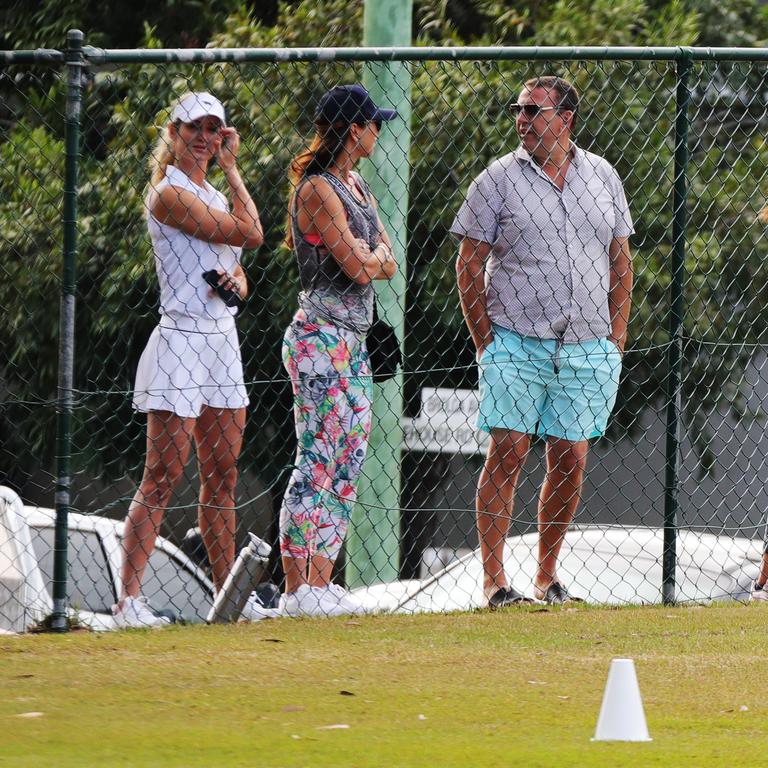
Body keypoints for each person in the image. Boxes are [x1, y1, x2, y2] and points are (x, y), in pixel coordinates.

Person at [452, 76, 634, 606]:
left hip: (587, 346)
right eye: (520, 111)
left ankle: (546, 578)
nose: (522, 120)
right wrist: (486, 341)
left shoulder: (603, 176)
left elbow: (621, 260)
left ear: (566, 117)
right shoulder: (497, 181)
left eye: (534, 110)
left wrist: (616, 336)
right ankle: (493, 582)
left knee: (571, 458)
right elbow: (469, 263)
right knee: (507, 450)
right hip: (516, 341)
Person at [113, 92, 264, 628]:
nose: (203, 137)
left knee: (222, 476)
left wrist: (236, 279)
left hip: (222, 342)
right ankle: (128, 601)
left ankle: (229, 604)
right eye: (193, 128)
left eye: (213, 129)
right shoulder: (168, 195)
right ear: (173, 134)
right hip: (180, 338)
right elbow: (253, 232)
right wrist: (238, 241)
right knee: (161, 477)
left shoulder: (217, 195)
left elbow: (240, 263)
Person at [279, 84, 398, 617]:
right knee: (316, 459)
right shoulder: (317, 190)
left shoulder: (358, 188)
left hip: (354, 341)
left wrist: (368, 254)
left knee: (347, 459)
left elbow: (388, 260)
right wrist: (370, 255)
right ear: (355, 129)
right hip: (320, 337)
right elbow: (358, 266)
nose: (379, 131)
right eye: (374, 123)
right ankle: (296, 588)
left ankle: (321, 584)